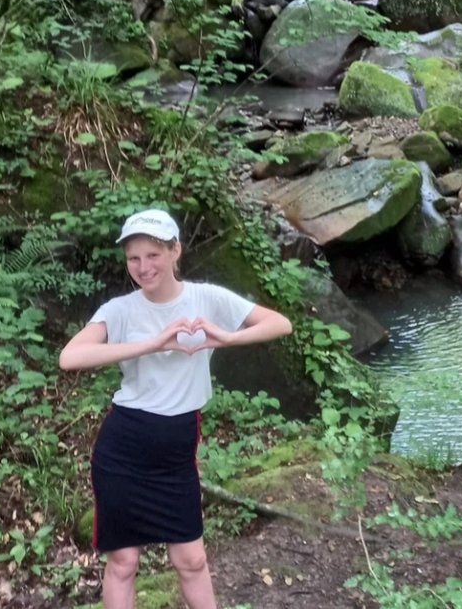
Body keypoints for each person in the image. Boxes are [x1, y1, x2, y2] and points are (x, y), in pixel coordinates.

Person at [59, 208, 293, 609]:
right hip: (123, 449)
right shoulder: (120, 309)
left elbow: (279, 323)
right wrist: (154, 343)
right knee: (123, 562)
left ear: (175, 251)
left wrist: (223, 339)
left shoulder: (206, 298)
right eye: (134, 258)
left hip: (176, 451)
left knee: (192, 558)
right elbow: (70, 357)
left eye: (153, 255)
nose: (143, 267)